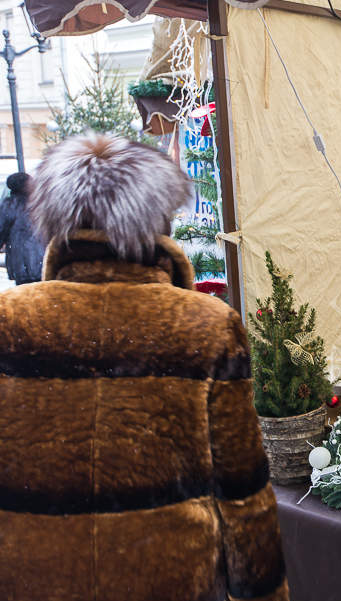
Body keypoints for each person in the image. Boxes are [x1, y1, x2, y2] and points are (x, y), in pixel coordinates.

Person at [0, 134, 288, 601]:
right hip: (171, 579)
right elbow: (243, 497)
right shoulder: (205, 326)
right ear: (159, 217)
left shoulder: (11, 321)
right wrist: (264, 593)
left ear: (56, 221)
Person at [0, 172, 44, 285]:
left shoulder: (9, 205)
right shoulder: (40, 203)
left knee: (26, 296)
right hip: (43, 260)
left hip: (21, 262)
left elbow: (1, 230)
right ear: (24, 186)